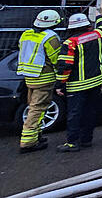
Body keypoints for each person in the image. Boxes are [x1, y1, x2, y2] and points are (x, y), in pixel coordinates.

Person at [54, 13, 102, 152]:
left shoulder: (70, 42)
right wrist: (99, 16)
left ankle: (72, 143)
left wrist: (60, 84)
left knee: (74, 114)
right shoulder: (97, 35)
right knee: (90, 112)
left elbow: (66, 65)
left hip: (77, 85)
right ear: (87, 25)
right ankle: (86, 140)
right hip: (95, 82)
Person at [16, 9, 62, 153]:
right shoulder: (50, 37)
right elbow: (56, 59)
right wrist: (61, 75)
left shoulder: (26, 34)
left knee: (33, 107)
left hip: (29, 77)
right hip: (44, 78)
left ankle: (36, 136)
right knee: (37, 109)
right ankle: (28, 142)